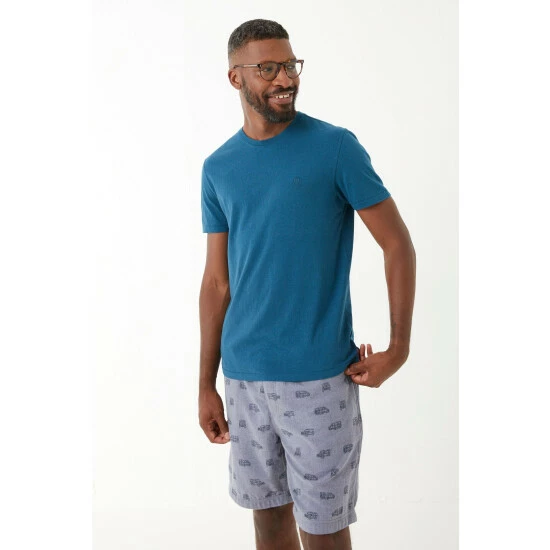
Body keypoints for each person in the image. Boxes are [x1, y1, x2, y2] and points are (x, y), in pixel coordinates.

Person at [198, 18, 416, 550]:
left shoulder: (335, 148)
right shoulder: (218, 167)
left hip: (319, 378)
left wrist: (399, 348)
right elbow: (217, 282)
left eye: (290, 65)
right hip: (244, 378)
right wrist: (206, 383)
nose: (285, 79)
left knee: (324, 529)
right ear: (235, 78)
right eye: (268, 68)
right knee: (268, 522)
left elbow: (397, 245)